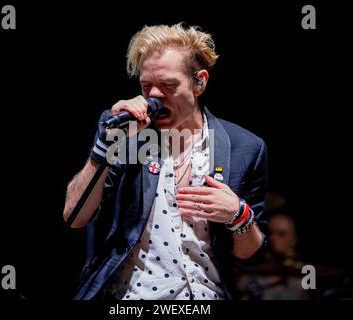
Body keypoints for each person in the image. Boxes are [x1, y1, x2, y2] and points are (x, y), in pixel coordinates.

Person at [63, 23, 268, 300]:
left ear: (200, 82)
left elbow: (251, 256)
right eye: (147, 86)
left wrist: (239, 215)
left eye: (168, 85)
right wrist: (104, 150)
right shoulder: (126, 134)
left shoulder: (246, 147)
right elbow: (74, 217)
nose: (155, 96)